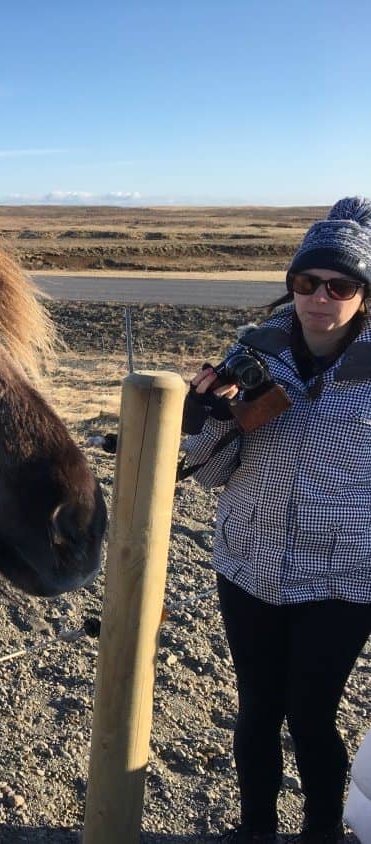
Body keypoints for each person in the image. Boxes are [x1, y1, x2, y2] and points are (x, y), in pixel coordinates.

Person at [181, 197, 371, 844]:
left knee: (312, 714)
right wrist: (201, 424)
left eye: (341, 284)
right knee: (258, 710)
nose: (320, 297)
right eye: (305, 282)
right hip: (248, 563)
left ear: (364, 293)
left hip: (344, 577)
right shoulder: (248, 353)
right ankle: (254, 829)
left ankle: (323, 832)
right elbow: (211, 474)